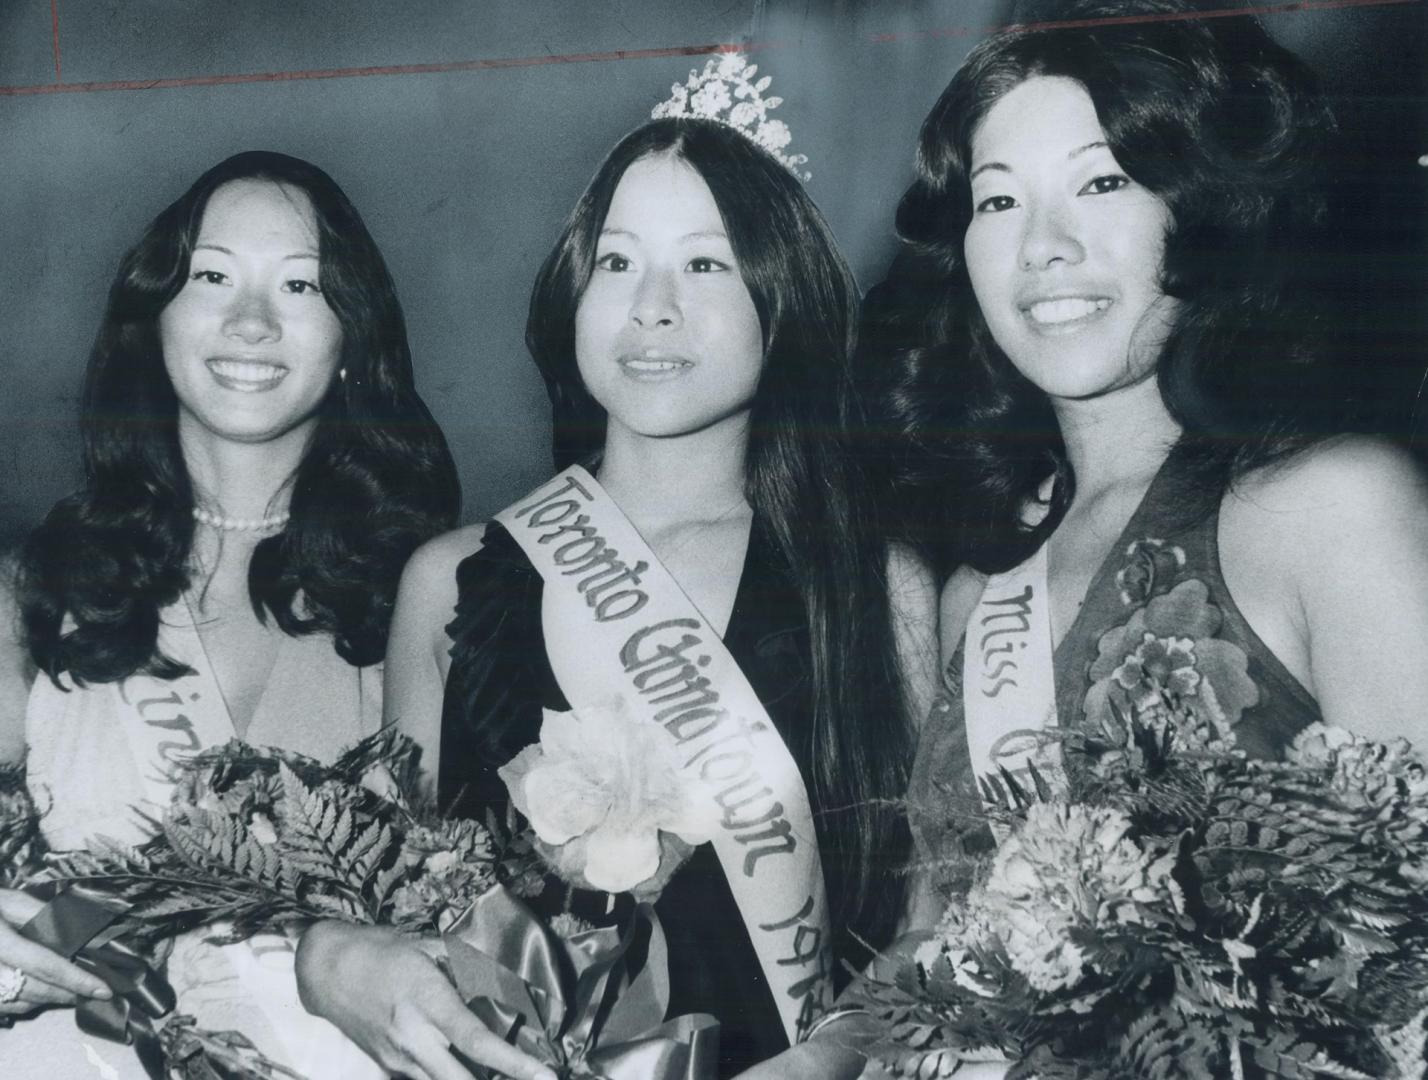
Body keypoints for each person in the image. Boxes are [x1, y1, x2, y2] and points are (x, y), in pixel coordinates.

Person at [296, 92, 938, 1080]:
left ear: (784, 300)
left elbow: (932, 914)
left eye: (706, 263)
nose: (653, 307)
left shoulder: (872, 585)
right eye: (619, 260)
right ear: (573, 295)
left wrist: (836, 1058)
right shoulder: (451, 581)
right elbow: (392, 893)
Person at [858, 2, 1428, 1075]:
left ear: (1202, 201)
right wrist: (806, 1062)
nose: (1044, 247)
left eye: (1104, 180)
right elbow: (928, 944)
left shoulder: (1332, 506)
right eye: (997, 199)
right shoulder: (980, 589)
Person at [0, 150, 460, 1078]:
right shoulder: (33, 593)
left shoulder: (430, 600)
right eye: (211, 276)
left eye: (299, 285)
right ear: (155, 316)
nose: (251, 320)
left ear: (349, 340)